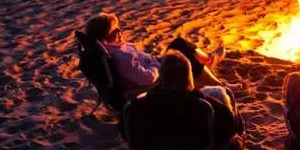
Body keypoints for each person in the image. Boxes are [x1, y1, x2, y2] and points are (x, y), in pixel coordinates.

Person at [84, 13, 225, 93]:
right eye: (115, 31)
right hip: (156, 80)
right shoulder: (121, 58)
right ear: (104, 39)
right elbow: (146, 79)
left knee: (179, 43)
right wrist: (158, 65)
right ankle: (219, 85)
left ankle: (208, 61)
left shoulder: (118, 47)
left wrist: (154, 61)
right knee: (183, 58)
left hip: (154, 66)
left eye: (119, 28)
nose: (120, 32)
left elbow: (145, 59)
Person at [150, 51, 243, 147]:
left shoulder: (141, 107)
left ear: (161, 77)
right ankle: (240, 133)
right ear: (189, 78)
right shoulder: (208, 107)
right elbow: (228, 132)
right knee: (223, 92)